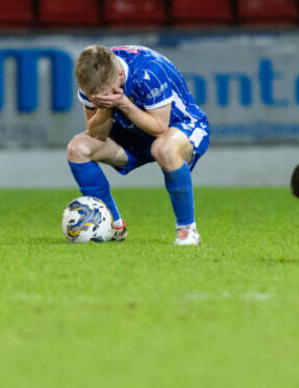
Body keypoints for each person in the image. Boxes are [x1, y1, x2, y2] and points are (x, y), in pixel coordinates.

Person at [67, 44, 210, 245]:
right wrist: (105, 107)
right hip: (133, 133)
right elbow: (97, 134)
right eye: (93, 96)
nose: (98, 97)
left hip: (180, 125)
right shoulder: (93, 78)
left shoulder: (150, 71)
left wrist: (123, 103)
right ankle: (113, 226)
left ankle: (187, 229)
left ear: (118, 74)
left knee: (164, 148)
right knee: (78, 148)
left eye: (104, 93)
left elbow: (160, 128)